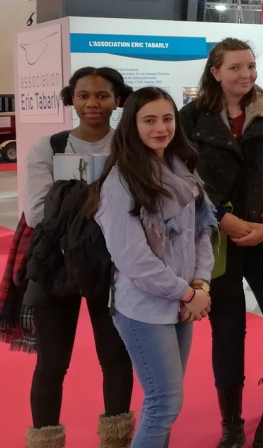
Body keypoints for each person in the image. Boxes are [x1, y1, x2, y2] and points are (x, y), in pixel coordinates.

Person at [178, 38, 263, 448]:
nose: (246, 74)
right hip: (215, 241)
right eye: (235, 67)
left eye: (251, 66)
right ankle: (232, 426)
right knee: (227, 332)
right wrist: (221, 216)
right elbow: (183, 177)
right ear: (215, 72)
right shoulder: (190, 119)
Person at [92, 87, 216, 448]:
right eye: (149, 120)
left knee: (165, 405)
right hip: (144, 307)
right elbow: (133, 259)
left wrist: (201, 284)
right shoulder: (120, 181)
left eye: (167, 118)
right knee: (164, 404)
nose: (161, 128)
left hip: (183, 301)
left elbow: (200, 231)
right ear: (132, 125)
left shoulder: (181, 168)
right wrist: (187, 293)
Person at [23, 68, 135, 448]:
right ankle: (45, 440)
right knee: (51, 362)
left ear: (118, 100)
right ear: (71, 98)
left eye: (102, 95)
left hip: (114, 264)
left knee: (115, 355)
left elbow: (142, 203)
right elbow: (36, 213)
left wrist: (69, 199)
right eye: (83, 95)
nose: (92, 103)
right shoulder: (49, 147)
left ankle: (116, 439)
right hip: (55, 264)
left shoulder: (129, 146)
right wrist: (104, 204)